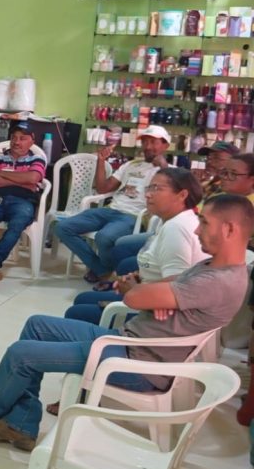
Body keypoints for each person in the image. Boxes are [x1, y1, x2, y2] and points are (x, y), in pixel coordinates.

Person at [0, 194, 253, 452]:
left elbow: (135, 298)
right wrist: (148, 290)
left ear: (229, 229)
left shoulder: (218, 281)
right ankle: (20, 425)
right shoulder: (212, 265)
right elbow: (158, 285)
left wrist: (143, 291)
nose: (198, 231)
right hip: (127, 339)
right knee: (37, 324)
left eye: (205, 223)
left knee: (21, 353)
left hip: (137, 361)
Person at [63, 169, 207, 326]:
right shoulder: (171, 221)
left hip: (160, 316)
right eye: (149, 188)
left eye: (157, 189)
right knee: (82, 299)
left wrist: (135, 289)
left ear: (182, 195)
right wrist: (137, 277)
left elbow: (176, 285)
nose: (148, 194)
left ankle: (105, 345)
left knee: (76, 312)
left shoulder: (177, 228)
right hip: (150, 294)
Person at [106, 140, 241, 279]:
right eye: (209, 158)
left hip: (193, 235)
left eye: (217, 158)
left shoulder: (230, 193)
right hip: (178, 224)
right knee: (122, 247)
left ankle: (130, 289)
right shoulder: (208, 183)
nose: (211, 162)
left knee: (126, 261)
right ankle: (121, 285)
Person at [55, 125, 171, 284]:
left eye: (153, 142)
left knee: (104, 237)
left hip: (133, 216)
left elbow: (171, 196)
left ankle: (101, 271)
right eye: (145, 142)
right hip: (110, 210)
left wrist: (163, 167)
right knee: (63, 227)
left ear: (165, 145)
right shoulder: (131, 165)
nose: (148, 146)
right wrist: (101, 162)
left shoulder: (170, 171)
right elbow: (103, 188)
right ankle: (103, 270)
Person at [0, 122, 46, 287]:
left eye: (22, 138)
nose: (17, 142)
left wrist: (2, 174)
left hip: (23, 201)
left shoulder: (37, 158)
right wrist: (21, 179)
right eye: (13, 138)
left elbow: (33, 179)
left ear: (31, 140)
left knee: (17, 225)